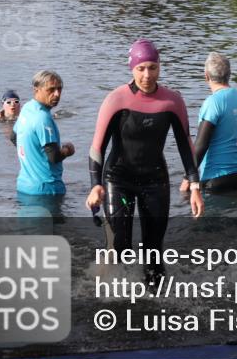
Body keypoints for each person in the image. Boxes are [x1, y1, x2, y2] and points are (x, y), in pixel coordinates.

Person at [86, 39, 204, 283]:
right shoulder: (116, 100)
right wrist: (95, 184)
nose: (147, 75)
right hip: (118, 180)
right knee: (120, 247)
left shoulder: (172, 101)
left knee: (153, 253)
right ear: (132, 69)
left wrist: (194, 186)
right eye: (141, 68)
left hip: (154, 181)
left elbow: (186, 146)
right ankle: (110, 297)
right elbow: (97, 147)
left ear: (160, 67)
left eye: (152, 67)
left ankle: (156, 306)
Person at [180, 52, 237, 194]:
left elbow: (201, 145)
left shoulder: (213, 103)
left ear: (206, 76)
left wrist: (187, 178)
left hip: (215, 179)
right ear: (229, 74)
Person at [10, 71, 75, 196]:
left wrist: (32, 156)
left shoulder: (27, 109)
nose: (57, 94)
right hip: (47, 190)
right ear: (37, 90)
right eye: (51, 90)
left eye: (59, 89)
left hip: (24, 186)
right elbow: (54, 157)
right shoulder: (43, 118)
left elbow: (14, 137)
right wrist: (68, 150)